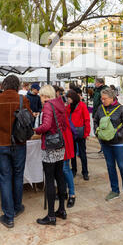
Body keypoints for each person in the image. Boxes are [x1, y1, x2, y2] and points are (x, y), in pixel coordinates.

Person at [0, 75, 32, 229]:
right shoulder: (23, 99)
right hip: (19, 143)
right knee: (18, 176)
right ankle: (17, 207)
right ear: (17, 85)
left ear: (4, 85)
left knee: (5, 178)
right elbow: (29, 119)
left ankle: (8, 215)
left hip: (2, 143)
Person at [34, 85, 69, 225]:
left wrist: (36, 129)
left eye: (41, 96)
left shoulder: (48, 106)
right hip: (60, 145)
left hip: (49, 146)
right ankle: (62, 209)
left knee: (49, 180)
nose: (40, 99)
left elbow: (46, 126)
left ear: (45, 95)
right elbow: (65, 125)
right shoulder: (60, 103)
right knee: (60, 177)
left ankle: (51, 215)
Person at [93, 87, 123, 206]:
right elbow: (95, 120)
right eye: (101, 98)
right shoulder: (100, 109)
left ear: (112, 98)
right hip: (106, 143)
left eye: (104, 99)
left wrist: (119, 135)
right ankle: (114, 190)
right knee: (110, 167)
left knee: (122, 166)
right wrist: (97, 132)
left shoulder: (121, 109)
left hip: (120, 143)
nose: (102, 100)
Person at [53, 85, 76, 207]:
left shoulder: (61, 104)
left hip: (64, 139)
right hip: (59, 138)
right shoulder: (55, 104)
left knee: (65, 168)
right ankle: (63, 191)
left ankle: (72, 194)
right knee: (60, 169)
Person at [66, 89, 91, 180]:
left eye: (69, 98)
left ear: (73, 98)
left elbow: (87, 120)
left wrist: (86, 133)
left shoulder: (82, 106)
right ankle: (74, 169)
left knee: (82, 153)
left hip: (80, 133)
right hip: (71, 133)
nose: (68, 100)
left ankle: (85, 171)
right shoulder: (68, 107)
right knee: (72, 153)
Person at [92, 78, 108, 153]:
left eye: (95, 83)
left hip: (103, 113)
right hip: (97, 113)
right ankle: (103, 147)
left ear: (99, 83)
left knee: (101, 130)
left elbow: (103, 102)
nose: (94, 84)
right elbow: (95, 103)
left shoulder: (105, 90)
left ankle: (105, 147)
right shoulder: (97, 90)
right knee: (97, 130)